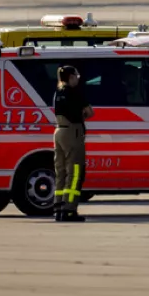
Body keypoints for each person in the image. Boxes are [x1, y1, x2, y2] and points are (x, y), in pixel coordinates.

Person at [52, 65, 93, 222]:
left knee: (60, 172)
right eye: (76, 76)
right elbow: (90, 112)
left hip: (59, 131)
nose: (77, 79)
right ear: (71, 77)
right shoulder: (75, 92)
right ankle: (70, 209)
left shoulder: (58, 93)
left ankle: (59, 208)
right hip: (72, 132)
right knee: (75, 172)